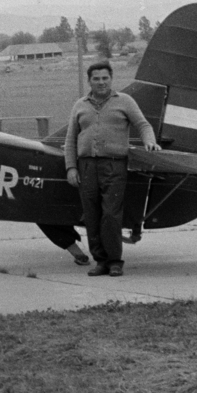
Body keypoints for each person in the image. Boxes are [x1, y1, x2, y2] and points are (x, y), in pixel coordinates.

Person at [62, 62, 159, 276]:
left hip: (114, 166)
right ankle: (100, 261)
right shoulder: (80, 105)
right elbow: (70, 140)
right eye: (96, 79)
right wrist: (71, 168)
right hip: (86, 167)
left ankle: (115, 262)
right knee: (91, 215)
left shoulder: (125, 101)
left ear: (111, 79)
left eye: (105, 78)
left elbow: (143, 125)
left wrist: (150, 142)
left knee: (111, 215)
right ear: (90, 81)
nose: (101, 82)